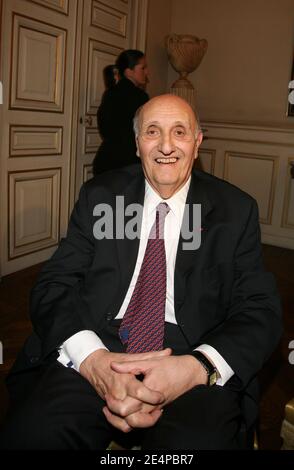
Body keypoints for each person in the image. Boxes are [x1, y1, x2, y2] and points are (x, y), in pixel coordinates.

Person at [0, 94, 282, 450]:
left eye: (179, 132)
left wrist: (195, 367)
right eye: (153, 131)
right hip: (101, 343)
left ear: (197, 143)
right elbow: (54, 284)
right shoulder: (100, 197)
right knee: (32, 435)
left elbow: (262, 309)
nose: (166, 145)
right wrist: (92, 360)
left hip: (189, 353)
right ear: (137, 145)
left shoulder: (235, 211)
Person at [93, 49, 149, 175]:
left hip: (105, 161)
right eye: (143, 68)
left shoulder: (109, 93)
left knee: (107, 195)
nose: (147, 72)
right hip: (126, 165)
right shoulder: (140, 97)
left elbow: (104, 128)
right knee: (121, 195)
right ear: (129, 71)